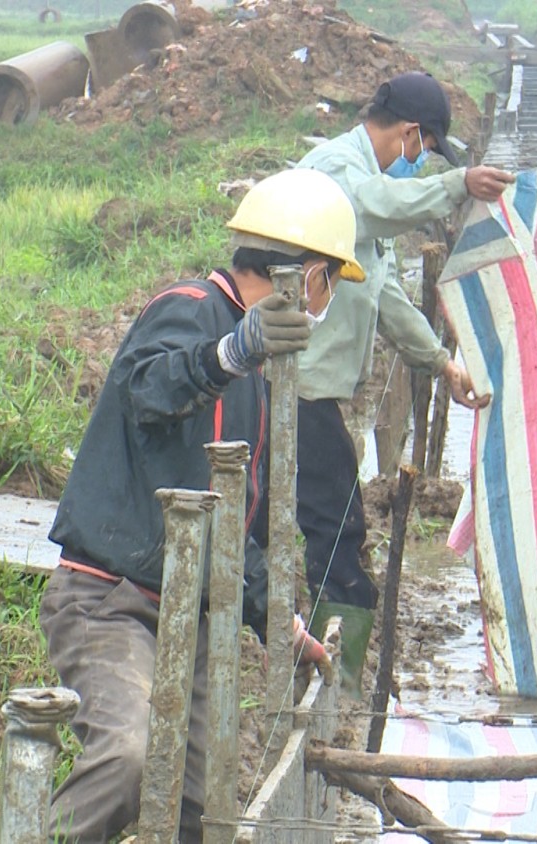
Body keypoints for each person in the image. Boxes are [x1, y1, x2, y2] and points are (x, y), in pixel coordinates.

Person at [41, 168, 358, 843]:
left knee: (198, 808)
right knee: (131, 759)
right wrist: (227, 355)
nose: (325, 302)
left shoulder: (262, 374)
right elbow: (148, 388)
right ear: (307, 277)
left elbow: (230, 517)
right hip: (111, 601)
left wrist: (283, 620)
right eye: (329, 283)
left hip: (190, 611)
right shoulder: (191, 311)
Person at [294, 72, 510, 696]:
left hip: (320, 391)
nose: (421, 161)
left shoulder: (371, 188)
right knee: (337, 531)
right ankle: (345, 679)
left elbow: (385, 295)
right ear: (413, 133)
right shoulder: (340, 171)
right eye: (426, 149)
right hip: (297, 387)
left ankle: (333, 663)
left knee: (327, 524)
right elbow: (375, 206)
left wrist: (442, 364)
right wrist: (455, 186)